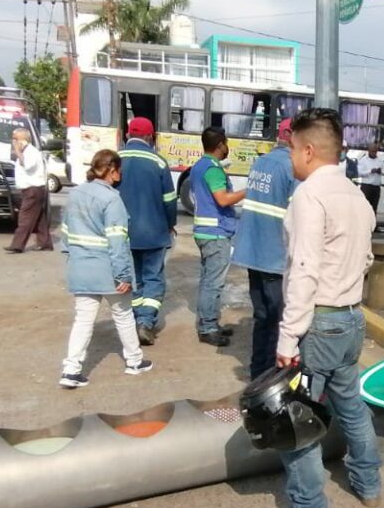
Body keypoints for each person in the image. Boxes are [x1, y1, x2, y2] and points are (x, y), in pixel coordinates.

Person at [256, 107, 379, 508]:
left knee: (296, 419)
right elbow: (367, 258)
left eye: (292, 149)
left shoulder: (310, 196)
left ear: (308, 150)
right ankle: (369, 485)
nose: (290, 157)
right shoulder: (356, 196)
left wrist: (288, 337)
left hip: (319, 324)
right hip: (351, 319)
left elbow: (305, 270)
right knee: (352, 406)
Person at [58, 149, 152, 388]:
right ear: (112, 171)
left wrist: (73, 257)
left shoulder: (75, 193)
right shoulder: (112, 199)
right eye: (119, 170)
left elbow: (66, 233)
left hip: (81, 268)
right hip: (108, 271)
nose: (120, 174)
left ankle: (71, 370)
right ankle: (134, 361)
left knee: (82, 320)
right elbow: (117, 241)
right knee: (123, 315)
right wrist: (123, 275)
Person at [233, 119, 299, 379]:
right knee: (279, 320)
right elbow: (299, 215)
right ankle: (273, 378)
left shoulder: (261, 163)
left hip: (253, 253)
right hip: (275, 256)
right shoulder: (291, 166)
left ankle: (257, 372)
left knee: (262, 317)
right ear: (291, 135)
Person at [117, 117, 179, 345]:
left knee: (133, 278)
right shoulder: (158, 162)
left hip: (123, 232)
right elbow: (170, 200)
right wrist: (170, 223)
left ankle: (135, 319)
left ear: (128, 135)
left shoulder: (116, 159)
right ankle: (145, 322)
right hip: (154, 231)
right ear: (150, 137)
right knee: (153, 277)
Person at [189, 127, 245, 347]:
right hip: (216, 234)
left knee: (207, 281)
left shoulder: (199, 165)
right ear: (220, 144)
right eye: (226, 143)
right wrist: (247, 191)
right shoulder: (213, 169)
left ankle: (208, 322)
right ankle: (208, 327)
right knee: (214, 283)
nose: (227, 147)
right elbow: (223, 199)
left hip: (204, 231)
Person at [6, 128, 53, 253]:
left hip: (33, 189)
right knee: (39, 218)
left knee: (25, 217)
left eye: (15, 139)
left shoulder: (31, 152)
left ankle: (17, 245)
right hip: (31, 189)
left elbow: (28, 166)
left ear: (23, 139)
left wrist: (17, 151)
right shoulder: (26, 151)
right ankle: (45, 243)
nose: (13, 141)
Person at [357, 141, 384, 215]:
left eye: (375, 151)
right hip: (366, 187)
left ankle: (373, 222)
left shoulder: (380, 160)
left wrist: (380, 171)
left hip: (376, 187)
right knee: (364, 207)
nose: (374, 153)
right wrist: (370, 171)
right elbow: (359, 173)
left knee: (374, 207)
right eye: (372, 151)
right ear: (368, 150)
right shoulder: (363, 160)